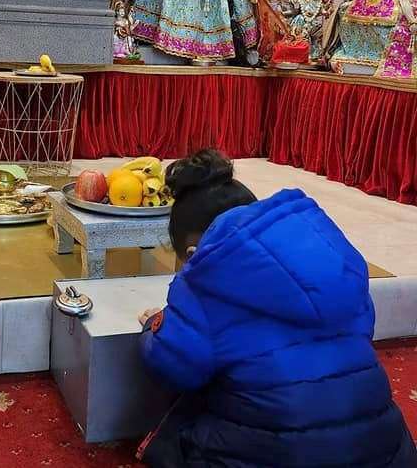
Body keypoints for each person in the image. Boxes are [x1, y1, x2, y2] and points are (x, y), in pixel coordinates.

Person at [137, 149, 416, 467]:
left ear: (191, 252)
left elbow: (172, 364)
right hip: (387, 452)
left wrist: (154, 327)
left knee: (182, 419)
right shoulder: (333, 261)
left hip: (280, 455)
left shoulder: (203, 276)